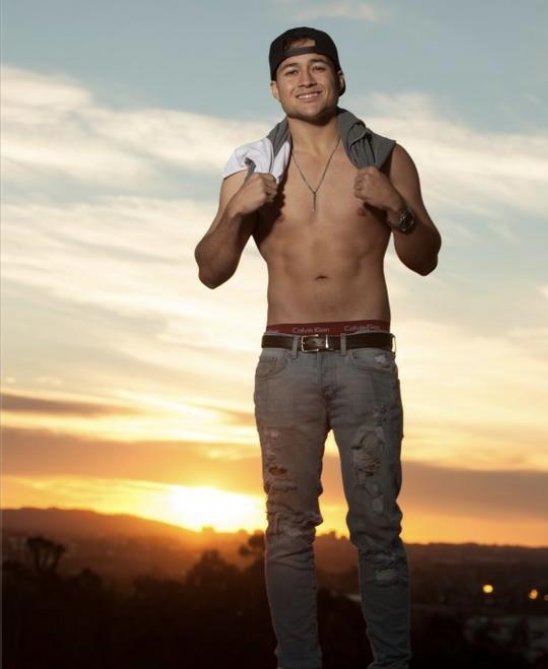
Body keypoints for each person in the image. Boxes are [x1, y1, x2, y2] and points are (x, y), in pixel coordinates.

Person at [195, 26, 441, 669]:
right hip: (286, 363)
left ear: (340, 79)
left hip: (365, 358)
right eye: (292, 70)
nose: (306, 79)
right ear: (274, 88)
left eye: (318, 67)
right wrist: (236, 211)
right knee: (287, 528)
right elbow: (210, 270)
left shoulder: (385, 157)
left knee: (378, 527)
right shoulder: (250, 167)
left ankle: (392, 663)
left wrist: (395, 207)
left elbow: (424, 258)